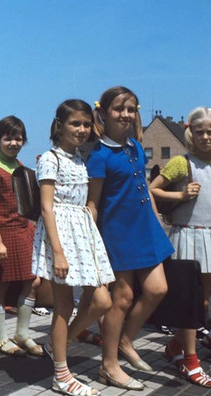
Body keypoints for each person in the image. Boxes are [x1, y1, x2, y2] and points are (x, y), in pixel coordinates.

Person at [86, 86, 172, 390]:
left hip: (146, 228)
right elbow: (93, 203)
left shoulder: (135, 146)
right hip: (118, 234)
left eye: (131, 109)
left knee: (158, 289)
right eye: (119, 109)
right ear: (104, 113)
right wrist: (90, 244)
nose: (125, 114)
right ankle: (108, 365)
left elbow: (145, 188)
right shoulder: (98, 156)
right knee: (120, 299)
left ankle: (123, 340)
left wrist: (158, 219)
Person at [32, 99, 115, 395]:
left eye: (85, 124)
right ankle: (61, 375)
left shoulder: (80, 158)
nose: (81, 129)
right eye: (74, 123)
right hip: (61, 236)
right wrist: (58, 251)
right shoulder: (50, 159)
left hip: (82, 234)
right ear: (59, 125)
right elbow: (46, 207)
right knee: (64, 305)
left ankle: (59, 345)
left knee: (103, 301)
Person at [150, 106, 211, 388]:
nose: (206, 137)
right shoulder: (182, 163)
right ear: (191, 133)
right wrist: (181, 193)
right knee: (190, 302)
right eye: (200, 132)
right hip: (188, 235)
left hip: (210, 237)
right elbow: (153, 188)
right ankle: (190, 358)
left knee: (204, 304)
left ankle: (175, 347)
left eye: (210, 131)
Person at [0, 115, 43, 357]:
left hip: (23, 231)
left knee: (32, 281)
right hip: (3, 233)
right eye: (8, 138)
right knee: (1, 283)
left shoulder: (20, 167)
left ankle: (22, 333)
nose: (14, 142)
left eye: (18, 138)